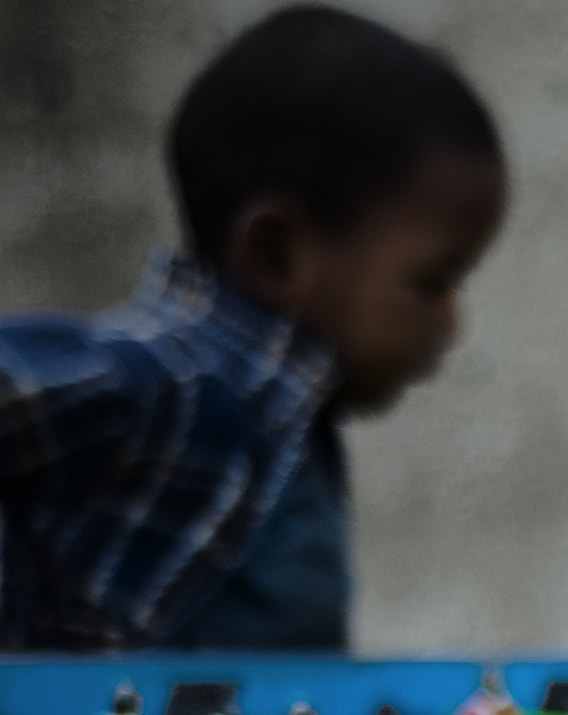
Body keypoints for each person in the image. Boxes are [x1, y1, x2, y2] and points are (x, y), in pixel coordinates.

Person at [0, 6, 505, 649]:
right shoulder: (175, 388)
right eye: (432, 280)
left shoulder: (292, 414)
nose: (451, 322)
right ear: (276, 252)